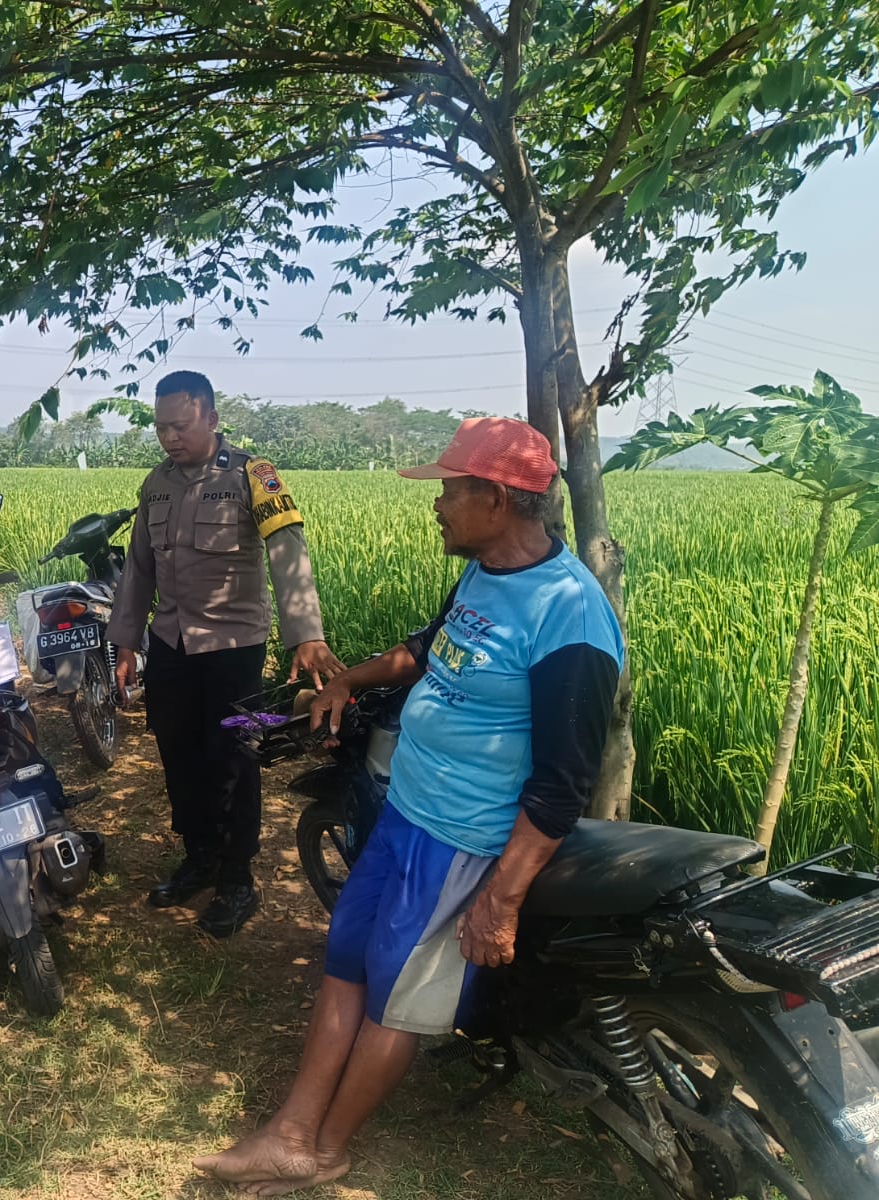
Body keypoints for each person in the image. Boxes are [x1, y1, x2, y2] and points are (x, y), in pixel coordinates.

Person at [191, 416, 624, 1194]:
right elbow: (427, 649)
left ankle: (324, 1150)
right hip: (406, 812)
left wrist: (500, 900)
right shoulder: (487, 572)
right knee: (346, 963)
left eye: (450, 491)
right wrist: (347, 680)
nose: (437, 505)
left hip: (462, 842)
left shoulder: (570, 615)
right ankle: (290, 1130)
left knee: (397, 999)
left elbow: (564, 783)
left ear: (496, 499)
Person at [108, 370, 344, 938]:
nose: (170, 437)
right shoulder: (156, 484)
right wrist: (125, 641)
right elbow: (139, 568)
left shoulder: (252, 475)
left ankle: (238, 878)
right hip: (172, 645)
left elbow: (287, 550)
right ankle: (200, 856)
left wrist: (305, 633)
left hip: (234, 648)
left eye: (181, 426)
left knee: (235, 758)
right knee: (178, 752)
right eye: (161, 428)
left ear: (212, 419)